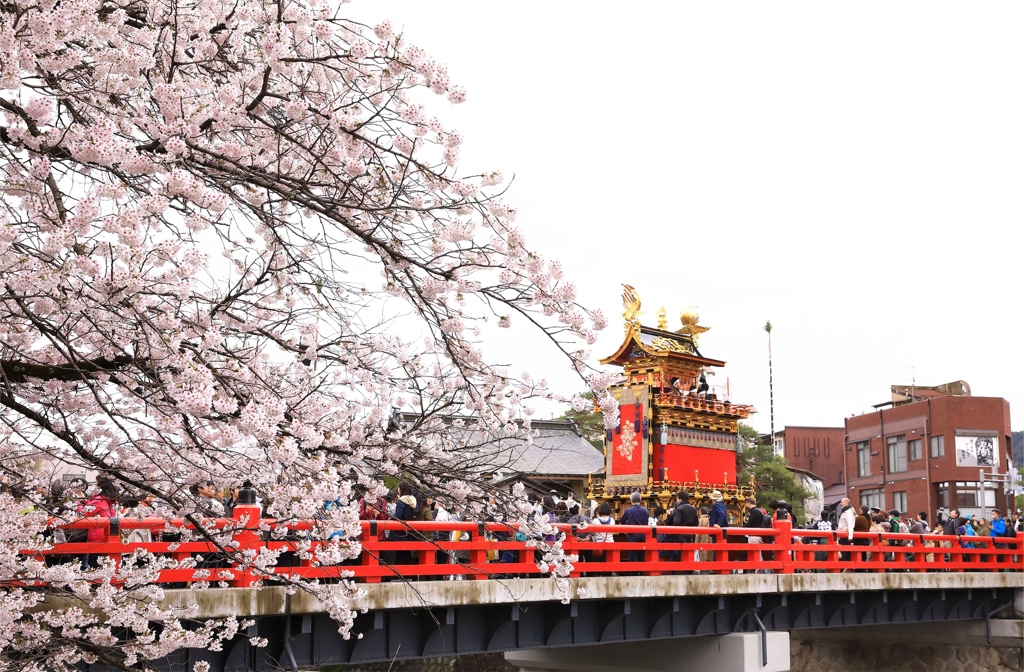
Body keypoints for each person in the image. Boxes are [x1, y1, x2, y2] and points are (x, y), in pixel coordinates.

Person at [619, 492, 650, 562]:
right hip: (643, 535)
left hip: (632, 535)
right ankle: (642, 571)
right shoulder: (645, 510)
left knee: (633, 554)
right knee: (642, 553)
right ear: (640, 500)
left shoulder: (628, 510)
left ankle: (634, 571)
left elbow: (622, 520)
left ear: (631, 500)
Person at [742, 497, 765, 566]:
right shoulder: (759, 511)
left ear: (749, 503)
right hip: (758, 534)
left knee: (755, 552)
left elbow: (750, 523)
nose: (746, 505)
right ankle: (758, 567)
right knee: (757, 552)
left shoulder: (754, 511)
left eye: (746, 503)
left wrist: (742, 528)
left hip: (754, 534)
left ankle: (758, 567)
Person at [836, 498, 856, 569]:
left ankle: (846, 567)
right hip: (843, 533)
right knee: (844, 551)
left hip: (846, 534)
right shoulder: (846, 511)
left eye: (842, 502)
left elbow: (850, 524)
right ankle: (845, 567)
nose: (841, 504)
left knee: (845, 552)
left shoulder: (848, 512)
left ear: (846, 503)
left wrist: (850, 536)